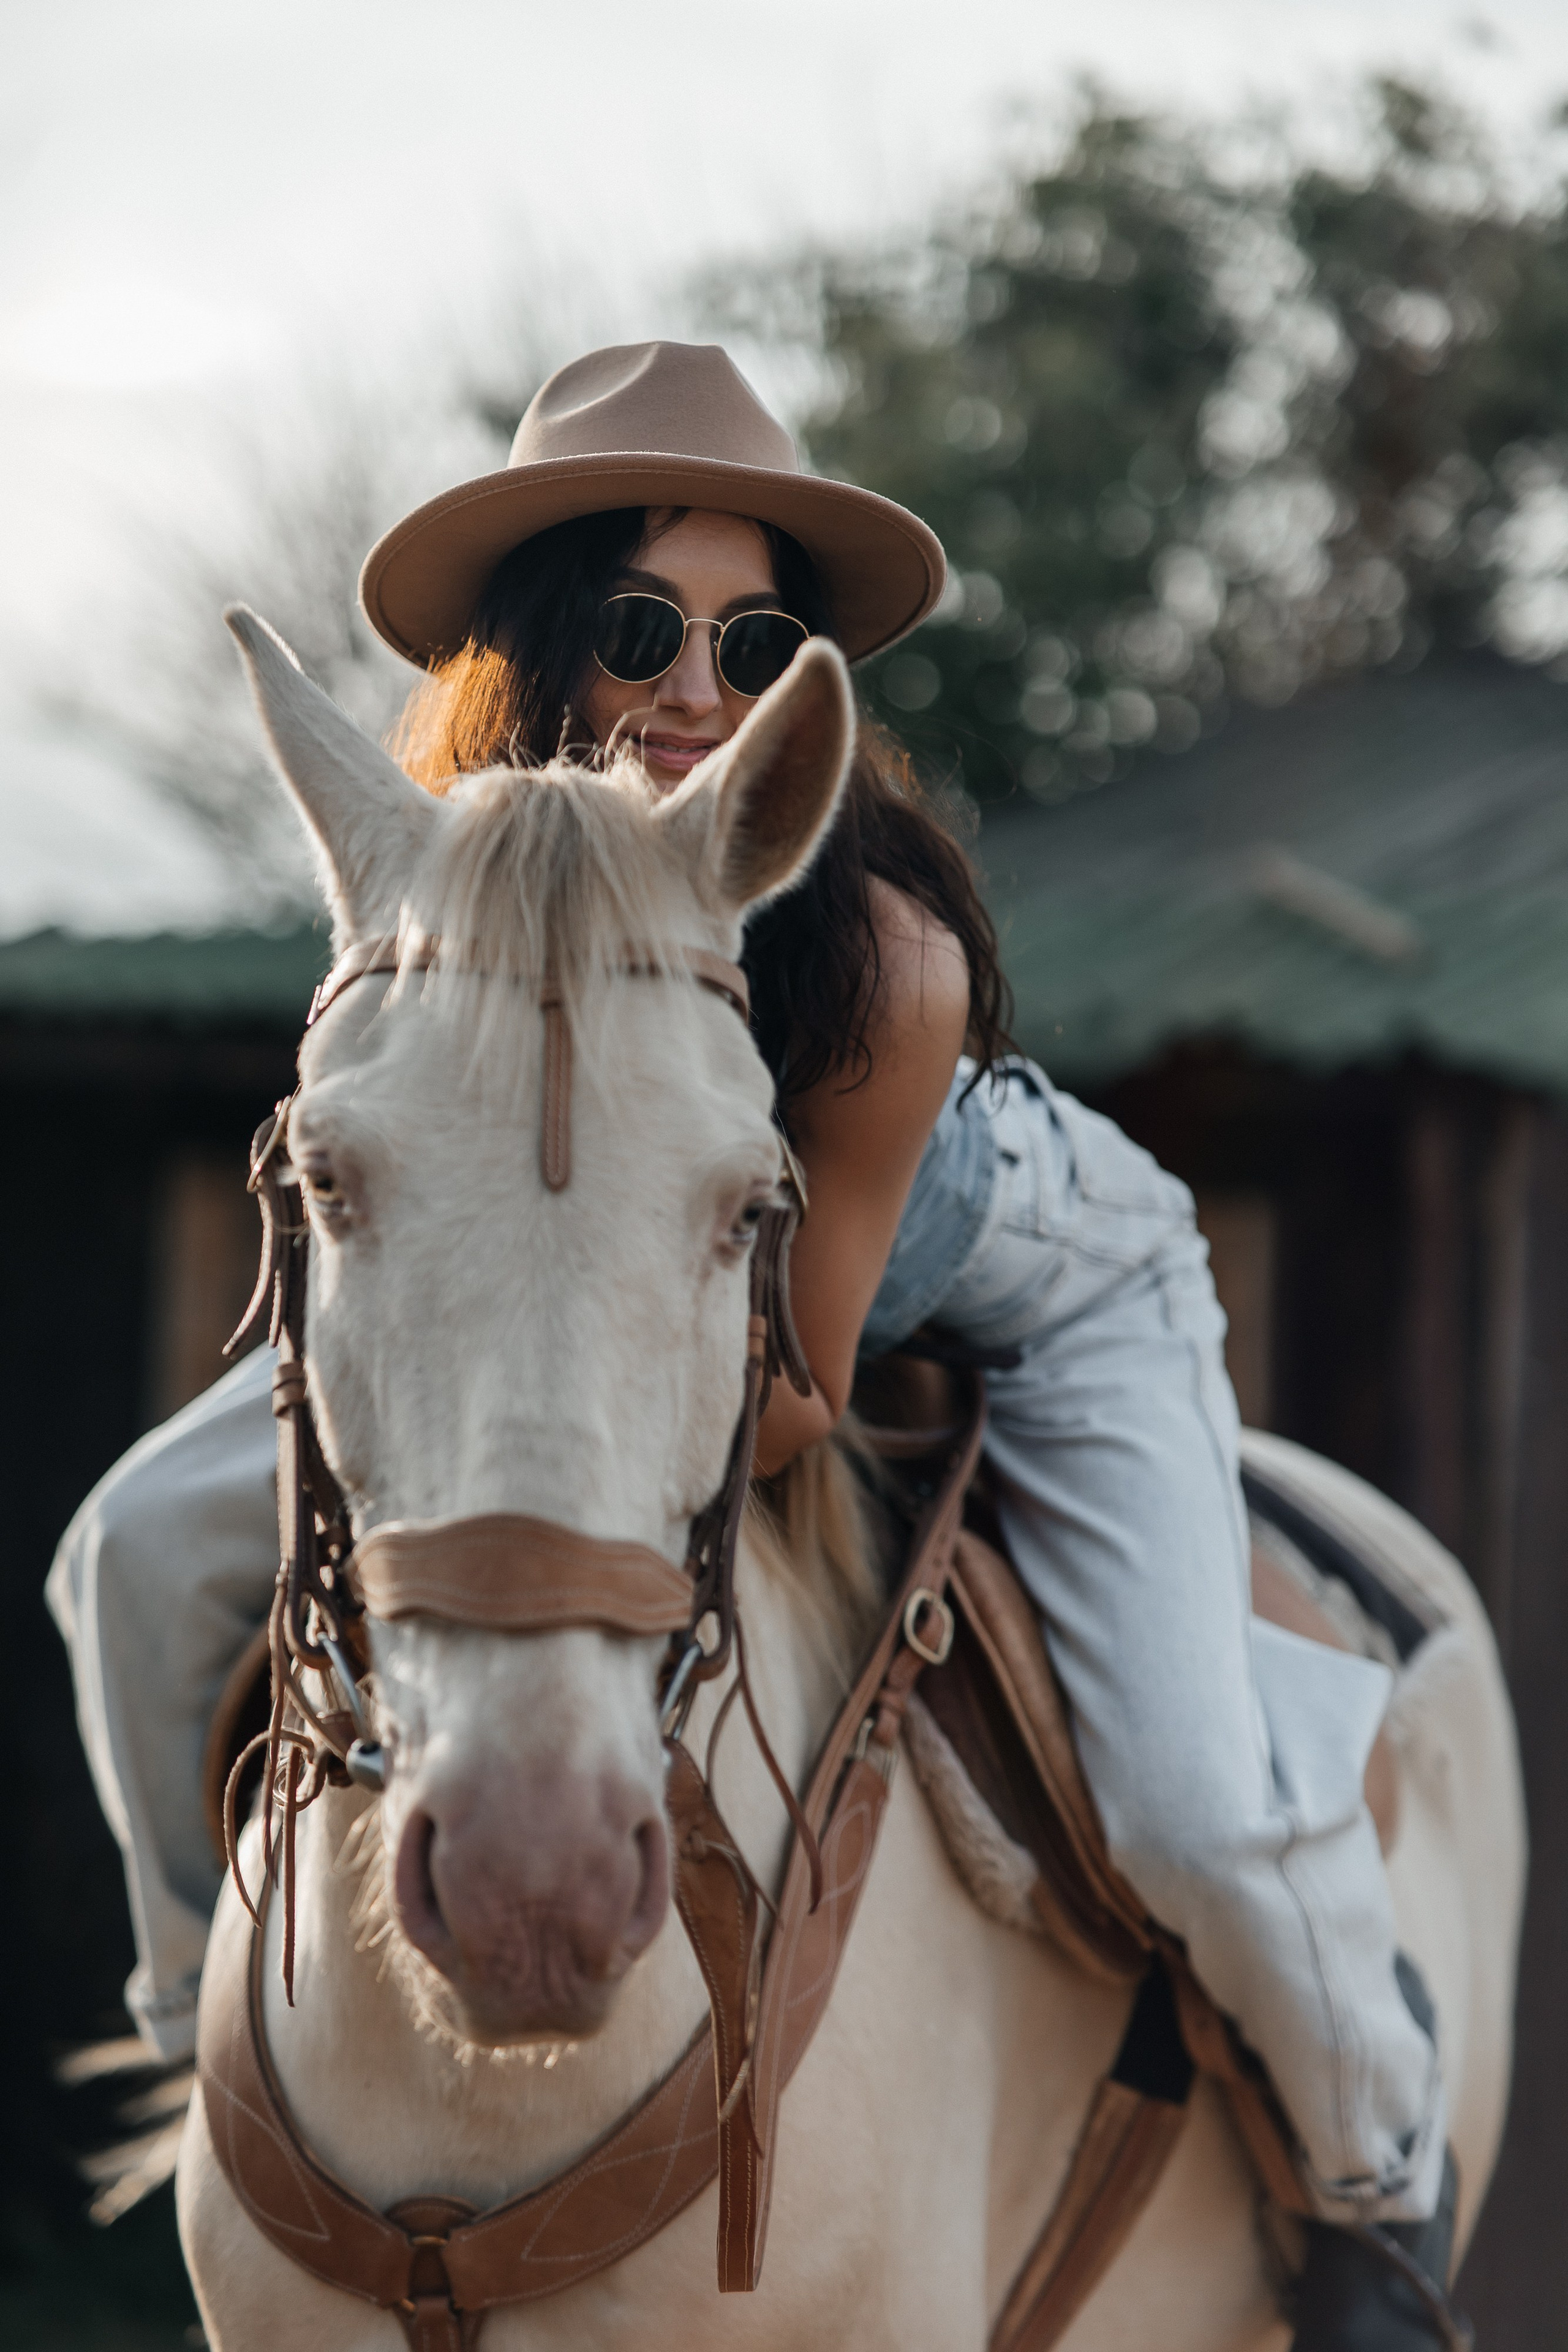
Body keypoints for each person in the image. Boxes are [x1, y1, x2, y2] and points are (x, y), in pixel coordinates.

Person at [49, 341, 1455, 2347]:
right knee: (131, 1549)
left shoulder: (883, 957)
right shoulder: (442, 902)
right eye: (642, 628)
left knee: (1187, 1803)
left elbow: (789, 1394)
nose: (697, 684)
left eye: (754, 640)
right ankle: (215, 2010)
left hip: (992, 1273)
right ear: (539, 645)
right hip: (646, 1288)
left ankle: (1372, 2183)